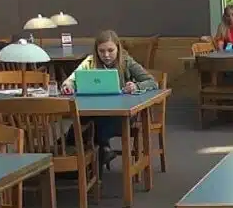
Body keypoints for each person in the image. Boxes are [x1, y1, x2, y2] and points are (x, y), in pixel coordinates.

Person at [61, 30, 159, 165]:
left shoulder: (127, 61)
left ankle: (91, 154)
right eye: (101, 51)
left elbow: (152, 82)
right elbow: (70, 80)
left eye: (110, 50)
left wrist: (136, 86)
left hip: (120, 115)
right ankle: (96, 153)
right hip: (95, 111)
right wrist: (68, 85)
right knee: (81, 122)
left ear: (118, 48)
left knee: (90, 127)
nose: (106, 55)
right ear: (96, 51)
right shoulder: (90, 62)